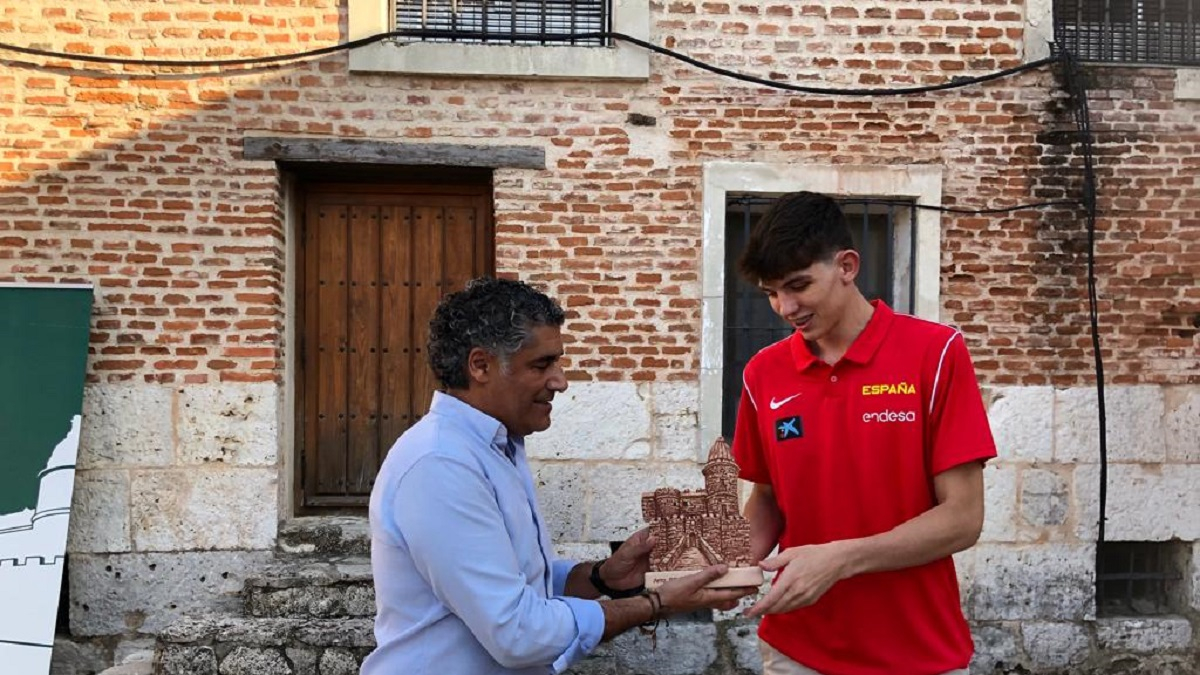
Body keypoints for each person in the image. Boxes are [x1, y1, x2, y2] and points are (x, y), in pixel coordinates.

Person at [362, 277, 756, 675]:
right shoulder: (441, 464)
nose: (561, 381)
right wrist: (656, 604)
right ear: (480, 366)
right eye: (542, 364)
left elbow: (525, 585)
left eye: (558, 361)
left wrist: (605, 576)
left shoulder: (496, 447)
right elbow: (518, 633)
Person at [731, 192, 998, 675]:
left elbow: (963, 518)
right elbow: (766, 499)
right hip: (797, 651)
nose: (784, 307)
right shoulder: (762, 374)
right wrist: (725, 569)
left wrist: (840, 559)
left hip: (919, 654)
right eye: (771, 292)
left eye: (798, 285)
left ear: (847, 266)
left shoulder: (935, 354)